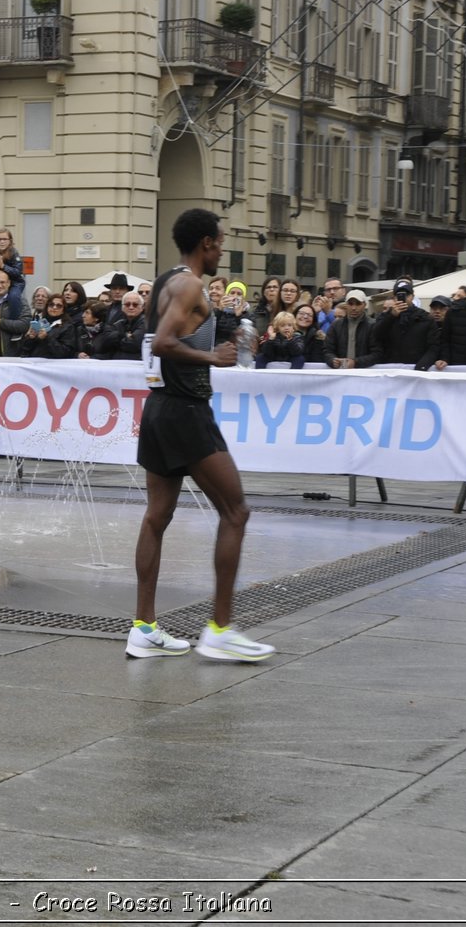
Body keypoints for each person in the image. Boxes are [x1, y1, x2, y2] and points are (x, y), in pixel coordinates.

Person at [129, 207, 274, 663]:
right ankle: (220, 630)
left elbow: (162, 340)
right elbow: (165, 342)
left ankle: (144, 628)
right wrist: (213, 359)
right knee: (236, 511)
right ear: (206, 243)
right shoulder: (190, 284)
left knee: (157, 516)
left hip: (157, 407)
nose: (223, 249)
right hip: (185, 411)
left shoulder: (168, 279)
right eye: (221, 241)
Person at [373, 278, 437, 368]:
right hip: (391, 368)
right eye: (398, 295)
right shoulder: (385, 316)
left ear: (413, 296)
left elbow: (433, 347)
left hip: (416, 367)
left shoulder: (425, 317)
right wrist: (391, 316)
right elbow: (376, 335)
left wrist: (421, 366)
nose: (403, 298)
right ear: (394, 297)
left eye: (406, 294)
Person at [325, 289, 382, 369]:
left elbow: (377, 354)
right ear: (346, 305)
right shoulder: (336, 325)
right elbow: (327, 350)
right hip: (340, 372)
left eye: (358, 304)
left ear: (365, 305)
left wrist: (356, 362)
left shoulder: (373, 325)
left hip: (365, 373)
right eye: (350, 304)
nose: (354, 308)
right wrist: (332, 360)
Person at [0, 227, 25, 300]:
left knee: (14, 297)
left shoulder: (14, 253)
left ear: (10, 241)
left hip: (15, 284)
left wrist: (3, 266)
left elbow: (18, 272)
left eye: (5, 239)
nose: (2, 242)